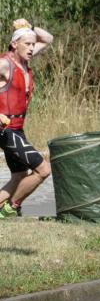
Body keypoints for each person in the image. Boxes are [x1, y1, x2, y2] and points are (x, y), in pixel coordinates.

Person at [0, 19, 53, 218]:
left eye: (33, 44)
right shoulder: (5, 64)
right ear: (14, 44)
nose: (31, 48)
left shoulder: (23, 60)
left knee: (19, 175)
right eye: (27, 44)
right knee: (43, 170)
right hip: (5, 130)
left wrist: (30, 28)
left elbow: (48, 38)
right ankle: (11, 208)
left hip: (17, 129)